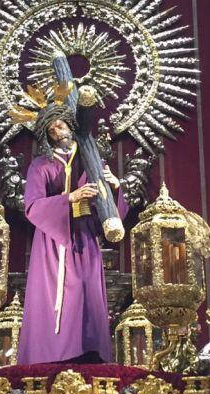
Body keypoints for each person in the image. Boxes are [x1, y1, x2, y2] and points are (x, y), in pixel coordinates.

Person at [18, 100, 127, 364]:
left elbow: (111, 213)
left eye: (62, 124)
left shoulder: (90, 159)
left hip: (85, 238)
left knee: (86, 290)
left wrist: (113, 188)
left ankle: (90, 353)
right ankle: (52, 354)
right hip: (54, 240)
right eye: (53, 129)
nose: (59, 131)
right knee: (60, 294)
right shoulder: (41, 165)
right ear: (47, 135)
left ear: (71, 125)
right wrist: (70, 198)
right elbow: (32, 206)